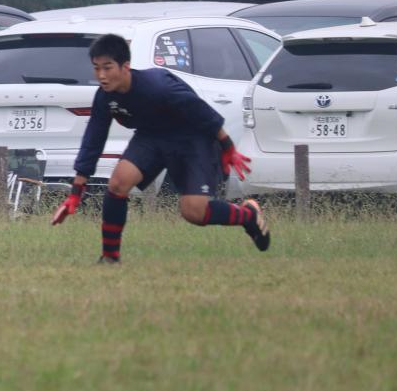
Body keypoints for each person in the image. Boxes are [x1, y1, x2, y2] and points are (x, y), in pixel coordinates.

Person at [50, 33, 272, 262]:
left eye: (107, 68)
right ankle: (110, 257)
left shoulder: (157, 86)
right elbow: (93, 139)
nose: (101, 76)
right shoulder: (105, 97)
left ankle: (248, 215)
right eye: (96, 68)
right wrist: (76, 192)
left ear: (125, 66)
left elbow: (202, 113)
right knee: (118, 183)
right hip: (152, 136)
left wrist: (228, 148)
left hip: (192, 138)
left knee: (194, 212)